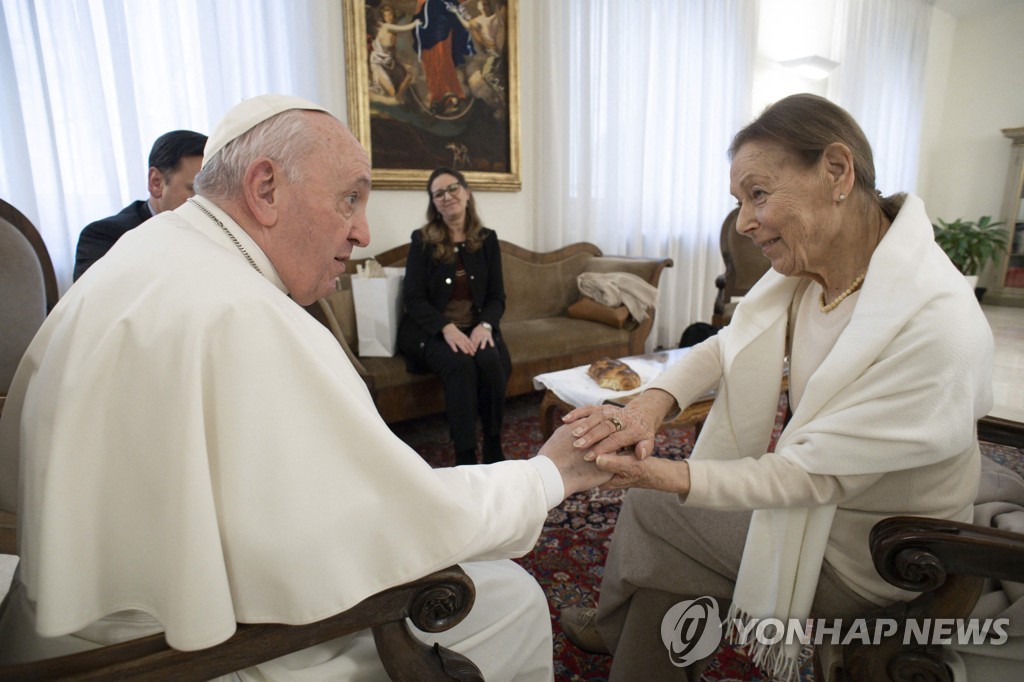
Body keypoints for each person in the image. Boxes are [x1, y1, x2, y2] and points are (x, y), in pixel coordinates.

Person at [0, 94, 610, 680]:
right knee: (512, 597)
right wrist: (545, 476)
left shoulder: (146, 252)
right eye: (350, 200)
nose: (363, 232)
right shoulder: (243, 311)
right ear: (265, 189)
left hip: (60, 620)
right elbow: (393, 518)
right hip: (166, 656)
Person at [556, 94, 994, 682]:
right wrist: (648, 408)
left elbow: (805, 475)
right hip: (834, 501)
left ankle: (614, 631)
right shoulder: (820, 275)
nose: (743, 222)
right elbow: (726, 343)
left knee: (654, 507)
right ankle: (626, 639)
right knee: (673, 553)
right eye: (739, 202)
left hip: (880, 547)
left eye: (758, 194)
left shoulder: (936, 322)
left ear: (837, 171)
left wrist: (651, 472)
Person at [398, 167, 511, 466]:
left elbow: (497, 297)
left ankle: (493, 442)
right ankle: (464, 454)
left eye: (452, 189)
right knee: (460, 365)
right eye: (438, 194)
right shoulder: (422, 240)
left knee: (490, 359)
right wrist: (446, 328)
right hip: (432, 330)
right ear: (433, 203)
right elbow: (414, 299)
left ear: (466, 192)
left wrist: (486, 325)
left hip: (475, 327)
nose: (447, 197)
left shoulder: (487, 239)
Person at [72, 129, 207, 280]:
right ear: (156, 183)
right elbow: (100, 301)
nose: (206, 203)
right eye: (194, 190)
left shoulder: (216, 232)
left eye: (211, 193)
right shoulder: (105, 237)